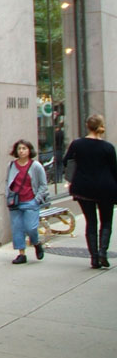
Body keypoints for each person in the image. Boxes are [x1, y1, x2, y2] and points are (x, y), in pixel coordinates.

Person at [64, 114, 117, 268]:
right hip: (105, 188)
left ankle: (94, 257)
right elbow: (114, 170)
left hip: (83, 188)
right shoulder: (108, 147)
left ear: (87, 125)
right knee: (106, 221)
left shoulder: (77, 144)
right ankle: (103, 252)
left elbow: (66, 161)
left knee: (91, 222)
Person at [6, 139, 49, 264]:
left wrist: (37, 199)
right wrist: (7, 195)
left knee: (31, 228)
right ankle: (21, 254)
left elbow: (43, 185)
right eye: (19, 148)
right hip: (15, 202)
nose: (21, 151)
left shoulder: (36, 166)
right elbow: (7, 182)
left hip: (30, 201)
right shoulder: (11, 165)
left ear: (29, 150)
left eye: (24, 148)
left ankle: (36, 243)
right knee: (17, 228)